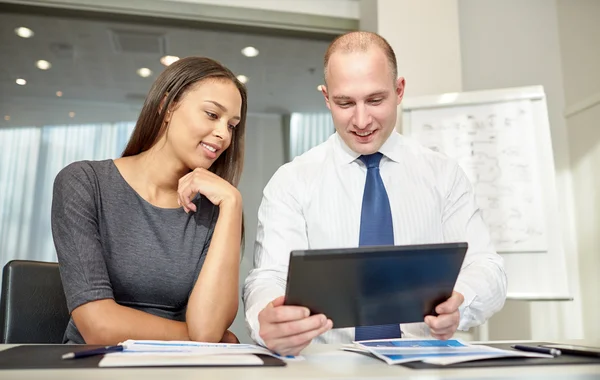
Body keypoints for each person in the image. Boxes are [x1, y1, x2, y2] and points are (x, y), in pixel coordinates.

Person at [243, 31, 507, 356]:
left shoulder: (443, 175)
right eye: (344, 103)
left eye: (375, 100)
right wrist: (265, 318)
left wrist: (460, 301)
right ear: (326, 98)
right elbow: (269, 276)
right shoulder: (292, 181)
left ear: (399, 91)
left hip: (425, 364)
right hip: (326, 369)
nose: (362, 120)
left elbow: (487, 266)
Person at [51, 56, 246, 344]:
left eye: (232, 125)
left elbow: (208, 327)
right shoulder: (84, 182)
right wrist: (205, 340)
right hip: (96, 365)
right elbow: (98, 326)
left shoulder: (215, 208)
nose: (223, 134)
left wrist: (232, 203)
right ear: (167, 107)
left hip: (180, 369)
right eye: (211, 114)